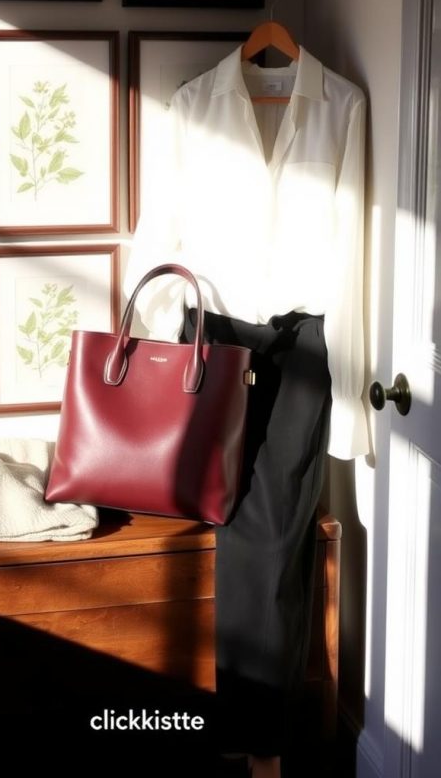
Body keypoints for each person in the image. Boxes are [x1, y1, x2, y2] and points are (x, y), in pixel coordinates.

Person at [124, 45, 369, 776]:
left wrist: (352, 399)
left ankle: (259, 743)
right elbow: (159, 228)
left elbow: (353, 255)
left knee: (276, 533)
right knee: (231, 520)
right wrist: (141, 369)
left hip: (303, 341)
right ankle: (251, 735)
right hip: (215, 337)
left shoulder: (342, 105)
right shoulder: (194, 106)